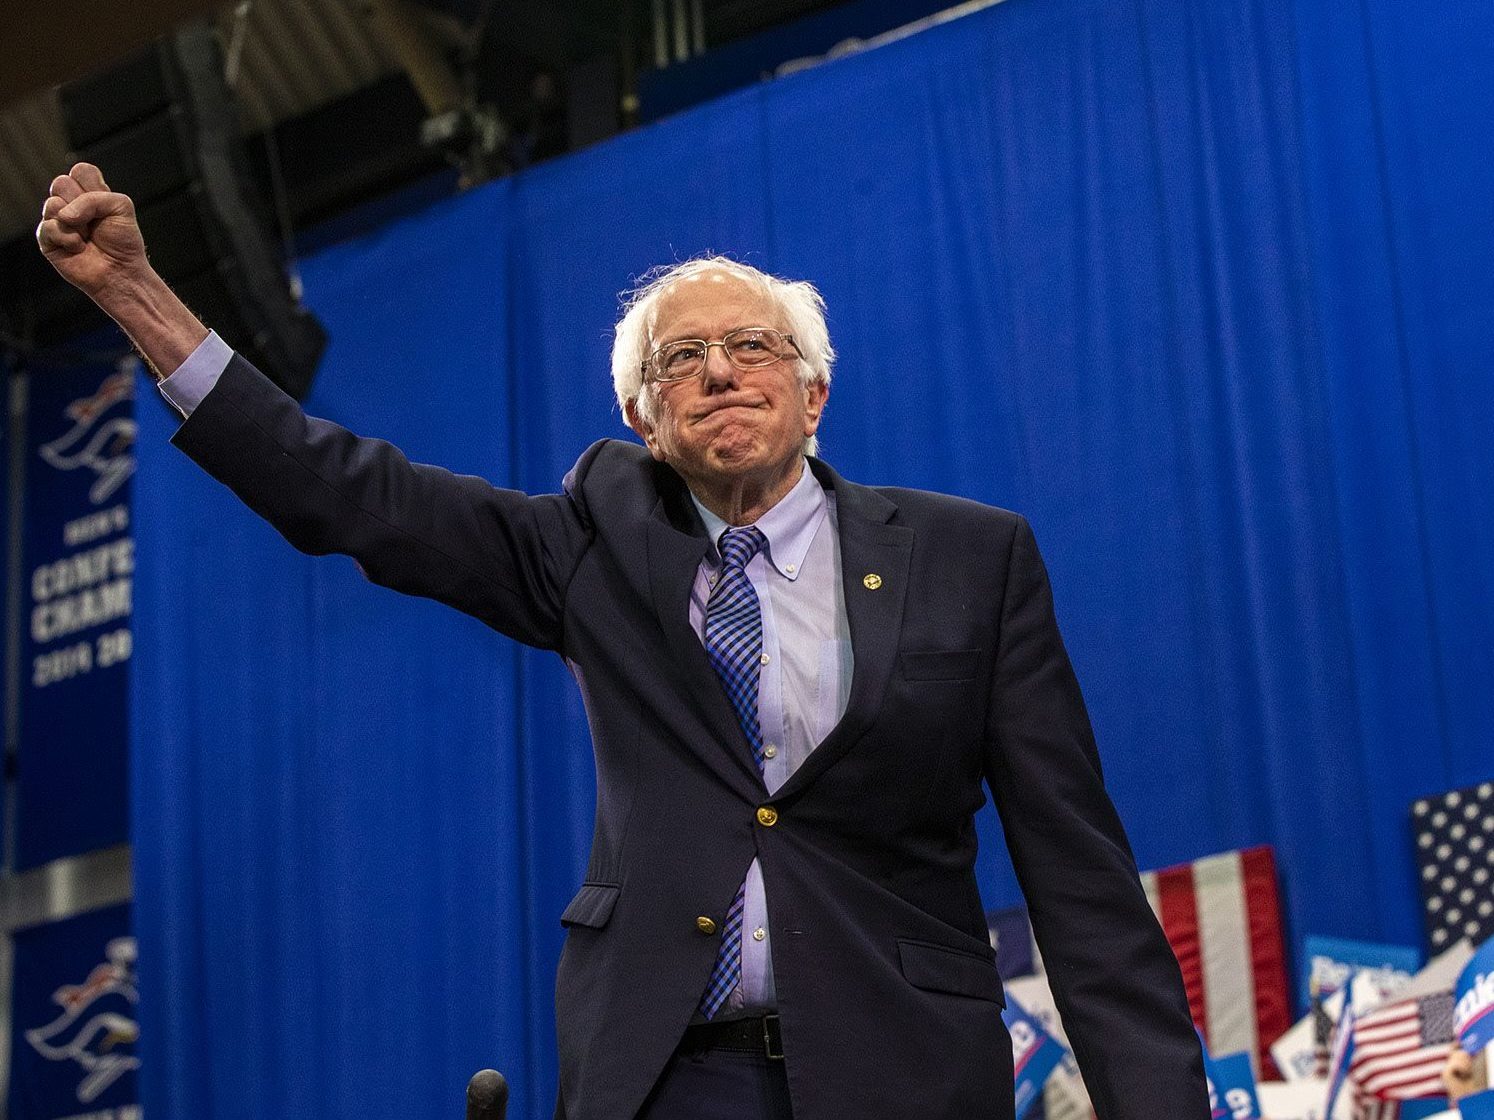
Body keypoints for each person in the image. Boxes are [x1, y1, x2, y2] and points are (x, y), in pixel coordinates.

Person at [38, 162, 1208, 1120]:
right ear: (643, 421)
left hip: (903, 1067)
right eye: (676, 362)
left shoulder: (973, 559)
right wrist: (142, 297)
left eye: (752, 346)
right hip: (666, 1074)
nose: (716, 371)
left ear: (814, 395)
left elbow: (1079, 872)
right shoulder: (594, 547)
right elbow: (352, 495)